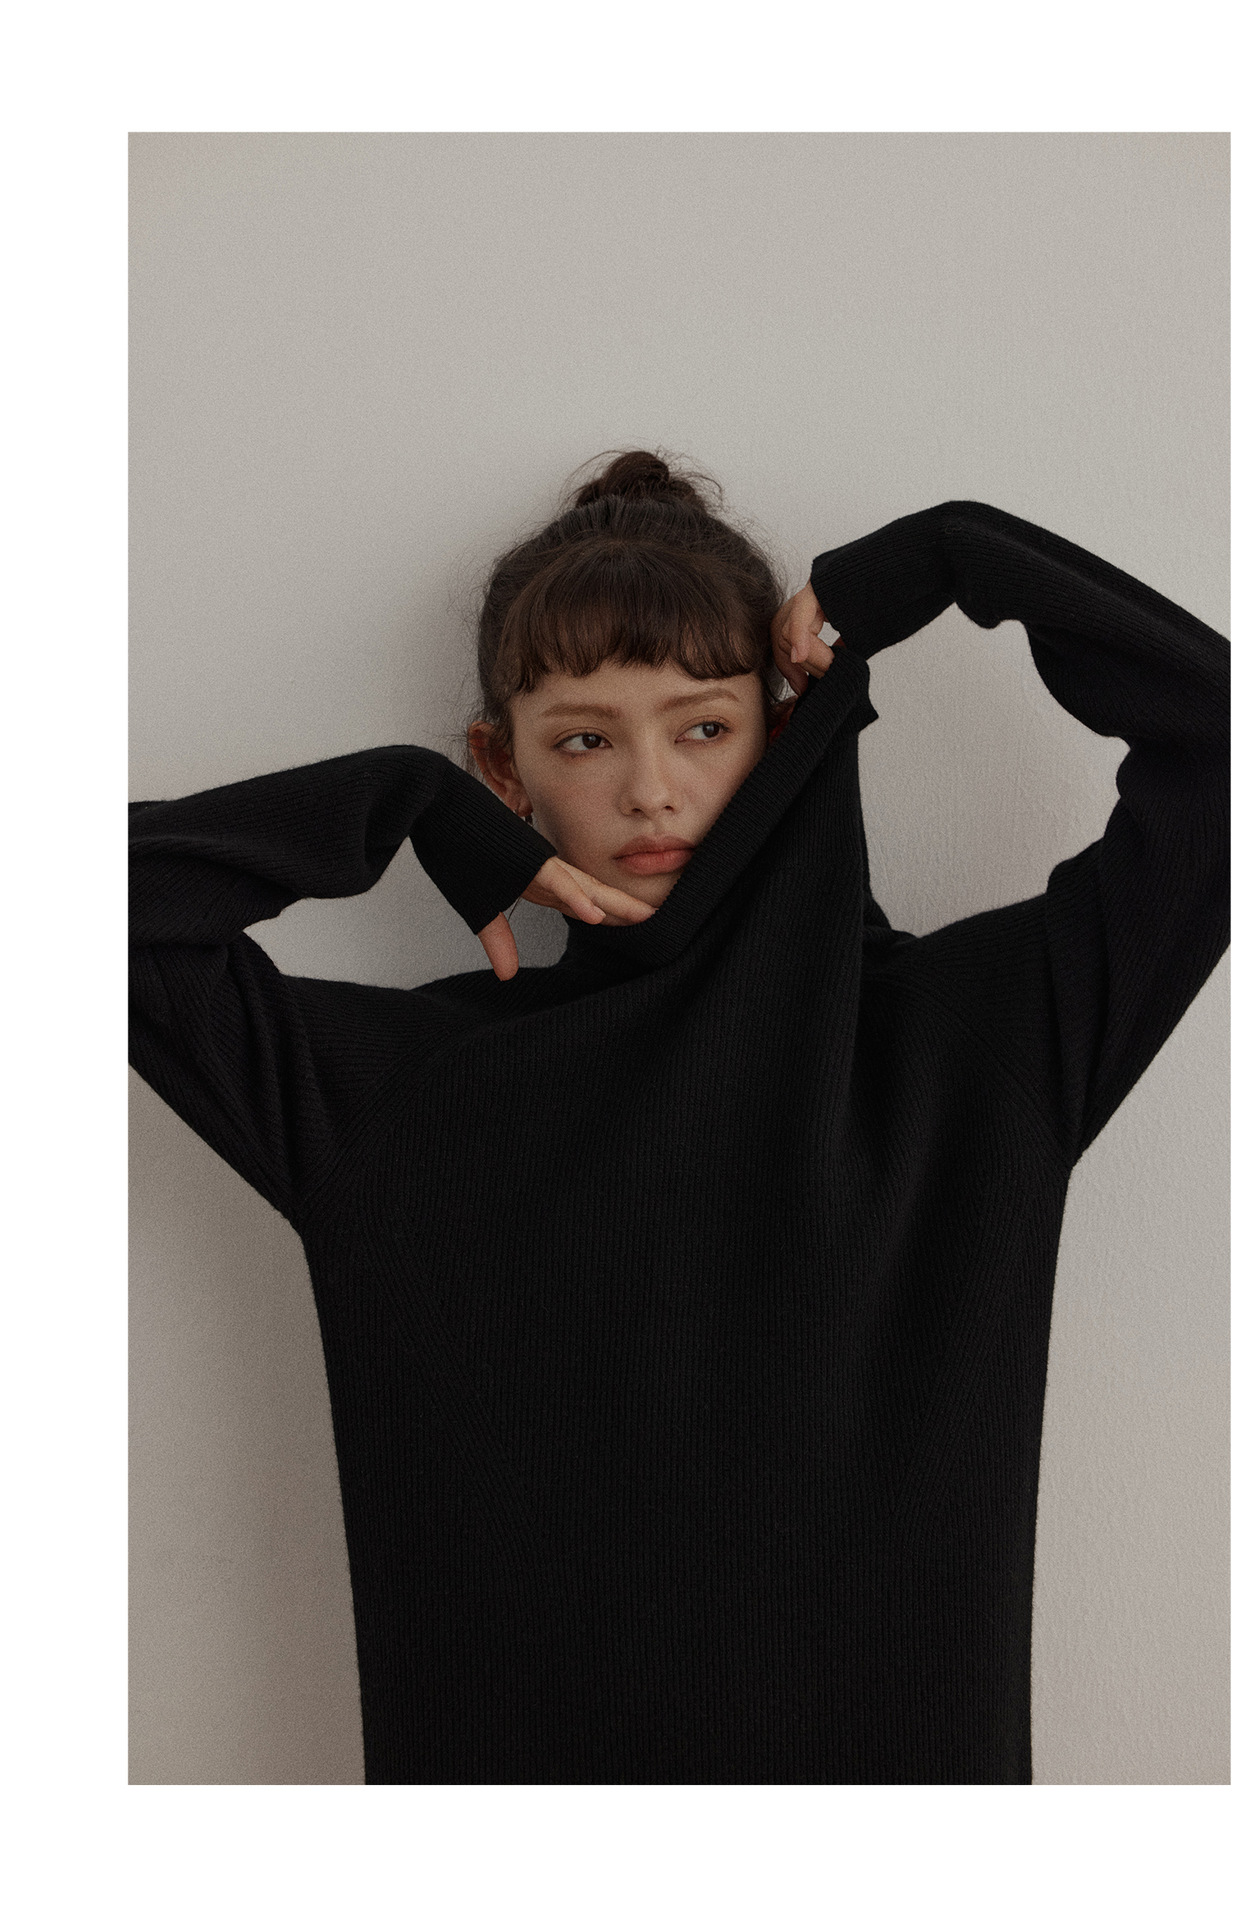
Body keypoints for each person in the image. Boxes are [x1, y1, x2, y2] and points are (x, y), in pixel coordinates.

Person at [129, 450, 1229, 1784]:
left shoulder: (979, 1045)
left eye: (704, 728)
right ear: (501, 768)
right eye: (584, 740)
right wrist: (400, 804)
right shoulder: (386, 1092)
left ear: (784, 727)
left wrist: (954, 555)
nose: (650, 789)